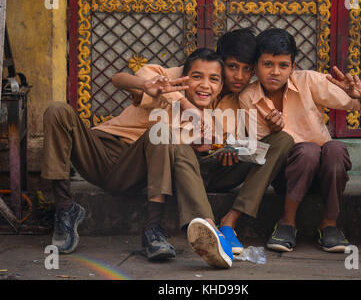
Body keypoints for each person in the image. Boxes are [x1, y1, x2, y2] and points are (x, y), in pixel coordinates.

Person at [41, 48, 233, 267]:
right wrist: (148, 88)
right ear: (184, 77)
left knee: (160, 132)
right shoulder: (165, 94)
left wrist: (199, 145)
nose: (205, 85)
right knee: (57, 111)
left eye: (214, 80)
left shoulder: (210, 123)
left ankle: (152, 229)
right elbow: (118, 78)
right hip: (101, 151)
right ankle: (65, 208)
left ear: (221, 87)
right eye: (197, 77)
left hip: (135, 169)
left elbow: (182, 159)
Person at [115, 28, 294, 256]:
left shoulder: (244, 97)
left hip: (218, 167)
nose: (239, 76)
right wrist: (182, 103)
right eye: (232, 67)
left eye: (247, 69)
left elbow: (241, 141)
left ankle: (229, 222)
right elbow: (123, 80)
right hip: (179, 167)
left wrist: (231, 148)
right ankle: (208, 227)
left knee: (282, 140)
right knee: (178, 146)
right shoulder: (180, 79)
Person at [239, 28, 361, 253]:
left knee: (335, 148)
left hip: (325, 175)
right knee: (308, 151)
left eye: (283, 65)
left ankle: (330, 225)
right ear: (255, 67)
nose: (275, 72)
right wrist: (274, 134)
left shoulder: (308, 81)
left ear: (293, 67)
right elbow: (262, 153)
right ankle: (287, 223)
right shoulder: (249, 97)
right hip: (286, 175)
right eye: (267, 64)